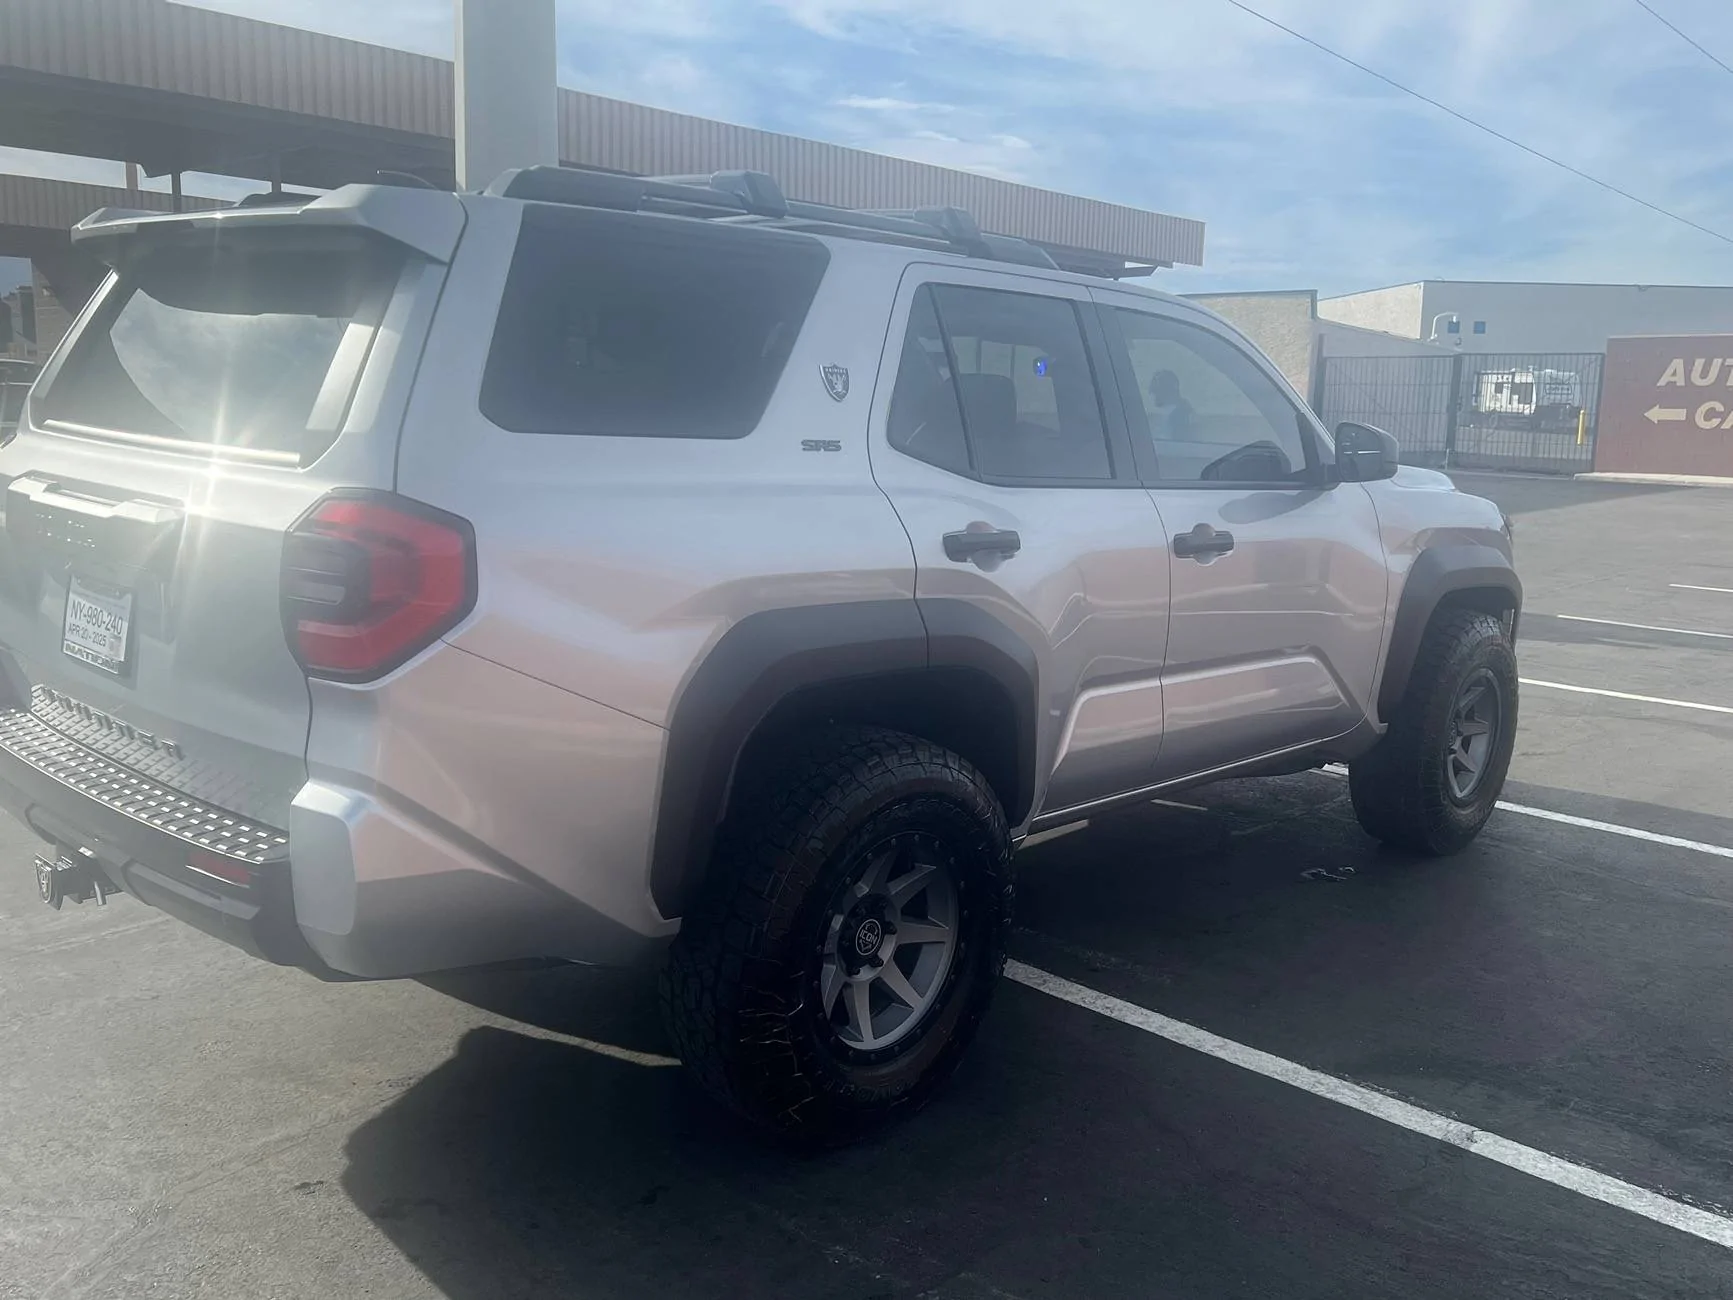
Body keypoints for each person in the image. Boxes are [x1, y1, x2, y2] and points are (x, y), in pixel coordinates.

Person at [1146, 368, 1194, 440]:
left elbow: (1178, 444)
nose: (1154, 395)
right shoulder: (1182, 410)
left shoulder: (1180, 415)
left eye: (1157, 390)